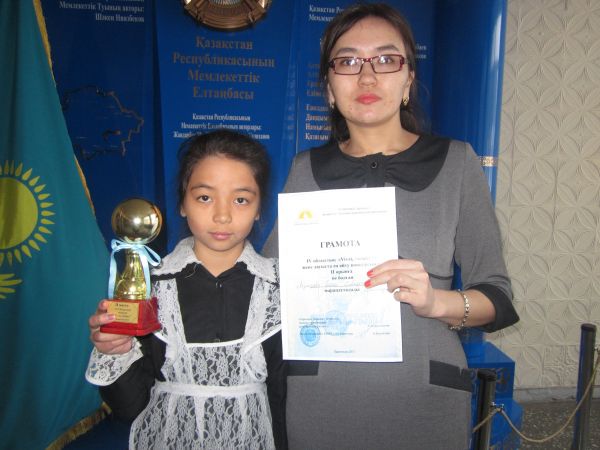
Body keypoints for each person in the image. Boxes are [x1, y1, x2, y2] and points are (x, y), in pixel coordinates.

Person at [262, 3, 519, 449]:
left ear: (408, 79)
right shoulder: (306, 169)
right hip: (321, 400)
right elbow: (268, 287)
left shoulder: (457, 162)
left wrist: (435, 301)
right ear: (329, 87)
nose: (366, 77)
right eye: (347, 62)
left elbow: (497, 298)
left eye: (385, 59)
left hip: (424, 399)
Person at [86, 129, 287, 449]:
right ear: (182, 203)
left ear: (259, 207)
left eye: (241, 199)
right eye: (205, 197)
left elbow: (283, 400)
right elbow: (130, 407)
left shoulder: (279, 287)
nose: (222, 216)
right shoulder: (149, 287)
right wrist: (116, 351)